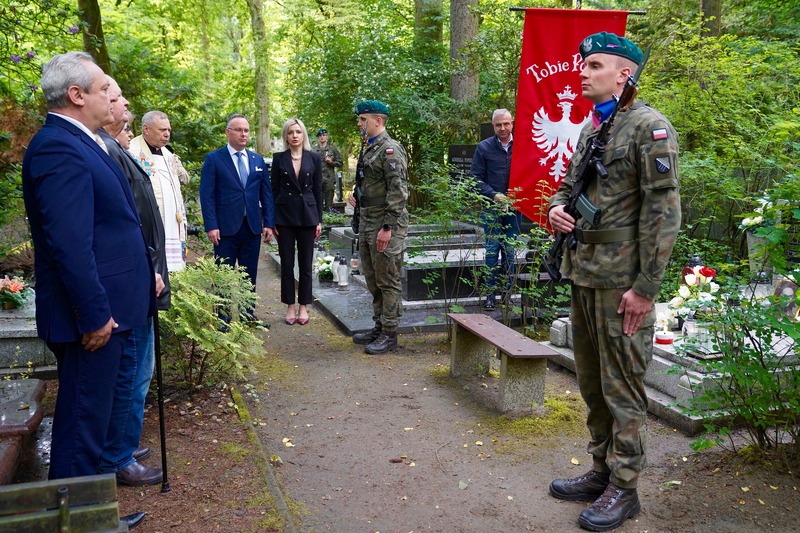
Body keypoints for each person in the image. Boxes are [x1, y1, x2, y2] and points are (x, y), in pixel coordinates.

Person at [547, 32, 680, 532]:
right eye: (583, 63)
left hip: (622, 281)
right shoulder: (592, 129)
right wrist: (557, 209)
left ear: (624, 74)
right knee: (591, 383)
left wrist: (645, 289)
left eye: (594, 65)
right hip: (584, 272)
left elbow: (664, 215)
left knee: (622, 386)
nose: (583, 71)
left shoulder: (651, 128)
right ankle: (602, 471)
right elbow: (567, 186)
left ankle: (625, 489)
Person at [21, 52, 155, 530]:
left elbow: (111, 227)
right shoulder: (57, 148)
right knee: (81, 427)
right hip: (93, 319)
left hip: (112, 309)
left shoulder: (86, 141)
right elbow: (70, 244)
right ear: (76, 95)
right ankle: (78, 525)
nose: (112, 98)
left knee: (93, 422)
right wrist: (95, 314)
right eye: (103, 90)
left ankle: (92, 516)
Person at [96, 77, 167, 487]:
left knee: (139, 368)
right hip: (132, 281)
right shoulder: (108, 152)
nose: (124, 105)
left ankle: (124, 441)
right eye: (117, 99)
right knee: (134, 372)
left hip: (144, 274)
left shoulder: (114, 151)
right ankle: (119, 454)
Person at [200, 114, 275, 327]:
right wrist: (211, 225)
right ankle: (222, 318)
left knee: (248, 273)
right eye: (239, 130)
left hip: (251, 227)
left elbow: (266, 194)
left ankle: (246, 314)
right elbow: (207, 195)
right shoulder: (214, 159)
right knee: (223, 275)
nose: (244, 134)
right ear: (228, 132)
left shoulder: (257, 160)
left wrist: (268, 222)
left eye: (247, 130)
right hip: (224, 230)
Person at [348, 100, 408, 354]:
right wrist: (356, 196)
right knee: (372, 277)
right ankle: (379, 325)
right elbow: (370, 181)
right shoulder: (370, 147)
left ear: (378, 121)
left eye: (363, 120)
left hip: (385, 222)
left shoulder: (390, 149)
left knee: (388, 279)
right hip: (368, 219)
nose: (360, 124)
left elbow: (399, 191)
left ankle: (390, 333)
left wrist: (388, 227)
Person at [270, 118, 323, 325]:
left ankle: (304, 307)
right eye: (291, 132)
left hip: (308, 217)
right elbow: (274, 190)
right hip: (284, 217)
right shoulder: (279, 158)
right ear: (286, 136)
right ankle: (290, 306)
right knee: (287, 264)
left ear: (303, 135)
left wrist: (318, 220)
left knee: (306, 265)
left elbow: (318, 190)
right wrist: (272, 219)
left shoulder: (314, 158)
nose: (294, 136)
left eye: (298, 132)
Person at [470, 108, 521, 311]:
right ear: (493, 126)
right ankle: (490, 294)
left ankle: (508, 294)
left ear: (512, 123)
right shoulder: (484, 148)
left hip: (515, 207)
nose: (503, 128)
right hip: (492, 206)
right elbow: (475, 179)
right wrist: (494, 195)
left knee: (509, 250)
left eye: (506, 124)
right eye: (498, 125)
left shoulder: (523, 145)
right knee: (492, 251)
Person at [129, 110, 190, 272]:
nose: (167, 134)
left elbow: (184, 179)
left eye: (169, 130)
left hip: (173, 219)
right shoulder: (131, 152)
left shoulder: (168, 154)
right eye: (162, 130)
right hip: (149, 220)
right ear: (146, 129)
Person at [313, 128, 343, 211]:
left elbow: (340, 163)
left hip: (329, 180)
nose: (322, 137)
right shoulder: (313, 150)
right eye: (320, 136)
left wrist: (331, 162)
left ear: (327, 137)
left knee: (329, 204)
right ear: (318, 138)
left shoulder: (332, 149)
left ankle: (329, 220)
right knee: (317, 203)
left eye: (324, 135)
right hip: (317, 179)